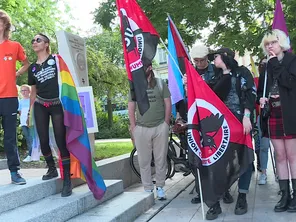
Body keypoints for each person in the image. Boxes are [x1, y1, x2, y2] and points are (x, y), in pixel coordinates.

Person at [205, 47, 256, 220]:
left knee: (245, 159)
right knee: (218, 162)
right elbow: (206, 95)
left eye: (216, 56)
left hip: (241, 122)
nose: (213, 60)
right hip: (221, 126)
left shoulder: (243, 73)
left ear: (225, 57)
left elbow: (250, 94)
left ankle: (242, 196)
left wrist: (247, 116)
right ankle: (217, 201)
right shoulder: (216, 76)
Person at [181, 44, 233, 205]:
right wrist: (186, 86)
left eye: (202, 60)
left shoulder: (216, 71)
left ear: (207, 58)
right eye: (196, 61)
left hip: (213, 118)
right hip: (197, 120)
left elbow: (220, 93)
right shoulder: (190, 73)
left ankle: (224, 190)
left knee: (220, 157)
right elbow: (185, 100)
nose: (199, 63)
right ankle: (201, 191)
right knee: (197, 157)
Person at [28, 33, 72, 197]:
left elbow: (67, 81)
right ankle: (51, 168)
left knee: (61, 141)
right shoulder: (32, 68)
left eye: (38, 40)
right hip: (40, 105)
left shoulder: (56, 61)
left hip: (57, 105)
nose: (34, 42)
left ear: (46, 44)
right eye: (33, 40)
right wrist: (29, 112)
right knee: (43, 141)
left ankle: (67, 178)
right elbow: (33, 91)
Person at [259, 29, 296, 212]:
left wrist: (274, 64)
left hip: (289, 113)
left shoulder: (291, 61)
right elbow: (261, 90)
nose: (269, 46)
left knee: (292, 156)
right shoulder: (266, 66)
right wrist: (262, 98)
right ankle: (285, 195)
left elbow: (289, 82)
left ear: (281, 43)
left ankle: (295, 195)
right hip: (273, 113)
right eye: (267, 44)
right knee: (280, 156)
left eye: (272, 42)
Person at [128, 63, 171, 200]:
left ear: (150, 67)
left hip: (159, 127)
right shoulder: (135, 85)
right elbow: (131, 107)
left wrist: (166, 123)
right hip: (141, 128)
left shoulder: (160, 83)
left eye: (144, 67)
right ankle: (147, 188)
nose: (141, 70)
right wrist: (134, 127)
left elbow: (168, 103)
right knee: (143, 161)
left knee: (160, 159)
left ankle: (160, 187)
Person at [0, 10, 29, 185]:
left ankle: (14, 172)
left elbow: (26, 64)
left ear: (5, 25)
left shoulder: (14, 46)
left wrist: (15, 74)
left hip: (10, 97)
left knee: (10, 137)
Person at [255, 58, 270, 185]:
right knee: (264, 146)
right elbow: (258, 94)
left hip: (279, 115)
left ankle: (281, 175)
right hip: (264, 116)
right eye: (262, 64)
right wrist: (261, 99)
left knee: (279, 148)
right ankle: (263, 173)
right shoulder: (263, 76)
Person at [18, 85, 33, 162]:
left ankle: (31, 155)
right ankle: (31, 155)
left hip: (30, 123)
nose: (23, 92)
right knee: (28, 139)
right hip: (23, 123)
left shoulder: (31, 100)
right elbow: (20, 112)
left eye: (25, 90)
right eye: (22, 91)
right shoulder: (20, 101)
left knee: (32, 138)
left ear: (29, 91)